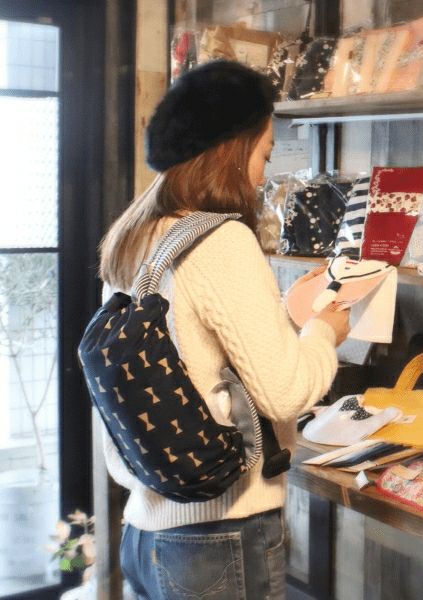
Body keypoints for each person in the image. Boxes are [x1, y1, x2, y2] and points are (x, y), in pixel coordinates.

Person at [98, 60, 350, 600]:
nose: (262, 175)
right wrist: (324, 331)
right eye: (263, 155)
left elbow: (188, 354)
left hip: (145, 532)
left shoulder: (138, 235)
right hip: (218, 534)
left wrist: (286, 315)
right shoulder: (222, 240)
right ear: (233, 151)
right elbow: (285, 393)